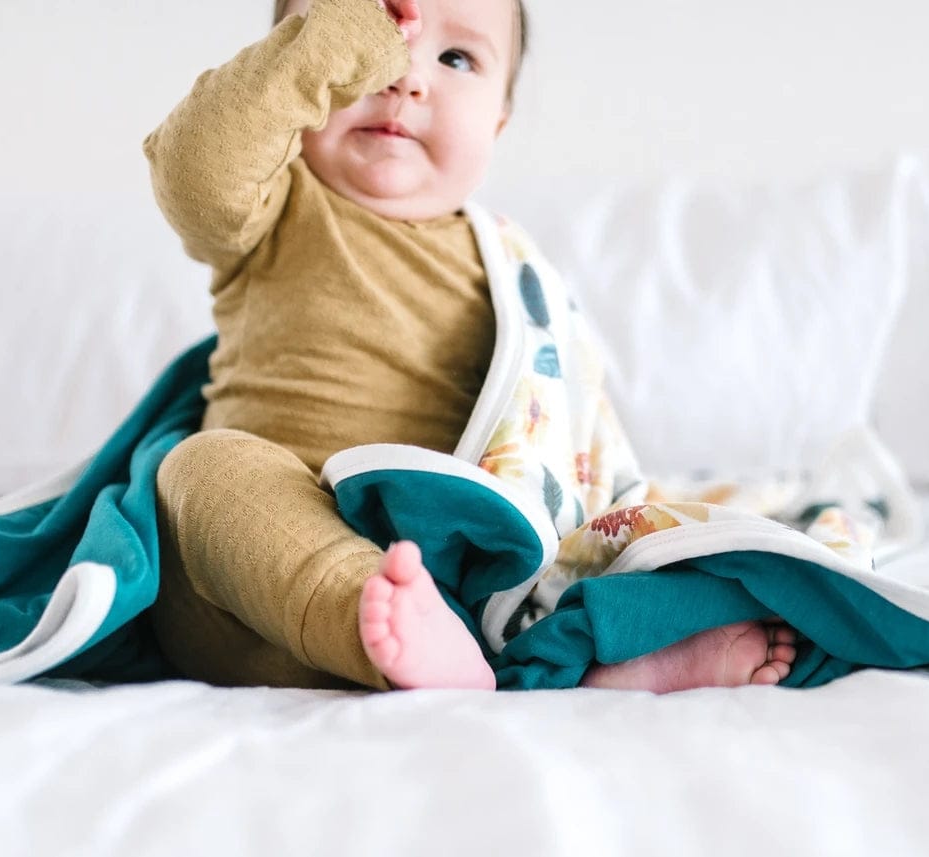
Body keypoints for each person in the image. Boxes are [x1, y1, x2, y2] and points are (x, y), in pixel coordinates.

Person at [143, 0, 797, 694]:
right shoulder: (273, 208)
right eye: (373, 32)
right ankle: (375, 616)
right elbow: (194, 167)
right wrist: (336, 40)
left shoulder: (512, 274)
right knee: (202, 470)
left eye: (456, 58)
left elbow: (566, 439)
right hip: (248, 585)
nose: (405, 78)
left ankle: (602, 651)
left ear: (497, 123)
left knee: (622, 546)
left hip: (462, 581)